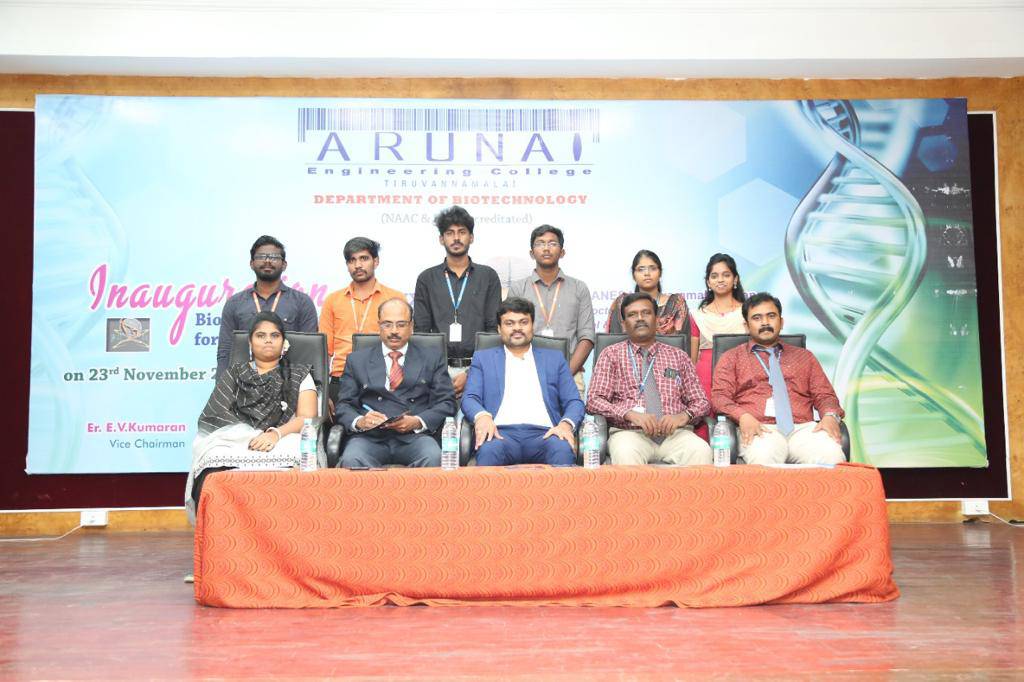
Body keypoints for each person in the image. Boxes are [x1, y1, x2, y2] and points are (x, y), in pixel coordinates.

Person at [186, 311, 318, 523]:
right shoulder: (234, 373)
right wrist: (248, 435)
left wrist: (275, 434)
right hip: (236, 438)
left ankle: (284, 529)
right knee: (212, 460)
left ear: (284, 342)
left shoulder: (299, 374)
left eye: (275, 335)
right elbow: (216, 414)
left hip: (282, 437)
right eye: (260, 335)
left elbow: (307, 418)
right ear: (250, 342)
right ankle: (222, 529)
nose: (268, 340)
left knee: (296, 456)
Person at [711, 292, 845, 465]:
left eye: (771, 316)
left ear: (781, 322)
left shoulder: (805, 357)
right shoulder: (732, 358)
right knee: (765, 454)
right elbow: (720, 397)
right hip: (758, 427)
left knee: (831, 455)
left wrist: (830, 415)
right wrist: (742, 416)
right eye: (757, 318)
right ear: (746, 326)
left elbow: (825, 395)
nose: (765, 322)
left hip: (802, 429)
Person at [587, 292, 711, 465]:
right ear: (624, 324)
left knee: (701, 450)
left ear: (656, 319)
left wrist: (684, 416)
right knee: (625, 453)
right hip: (630, 434)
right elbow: (594, 400)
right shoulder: (611, 354)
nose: (640, 318)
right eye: (632, 314)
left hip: (675, 434)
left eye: (646, 313)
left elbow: (701, 401)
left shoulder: (679, 356)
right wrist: (628, 414)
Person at [462, 297, 584, 466]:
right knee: (489, 451)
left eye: (523, 322)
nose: (517, 328)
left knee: (562, 449)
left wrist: (565, 424)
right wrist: (482, 417)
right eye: (509, 323)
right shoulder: (483, 359)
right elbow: (469, 398)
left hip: (546, 434)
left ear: (532, 326)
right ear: (499, 329)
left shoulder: (554, 359)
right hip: (499, 434)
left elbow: (574, 401)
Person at [335, 298, 455, 468]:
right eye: (387, 324)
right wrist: (360, 421)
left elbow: (447, 403)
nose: (394, 331)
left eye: (401, 324)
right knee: (352, 459)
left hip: (415, 437)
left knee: (434, 457)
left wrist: (417, 421)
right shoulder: (357, 360)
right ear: (379, 326)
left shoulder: (431, 358)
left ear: (411, 326)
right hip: (369, 438)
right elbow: (343, 405)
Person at [413, 206, 502, 398]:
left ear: (471, 237)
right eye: (450, 233)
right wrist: (438, 373)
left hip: (480, 369)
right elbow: (421, 333)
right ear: (441, 239)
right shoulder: (427, 279)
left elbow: (493, 332)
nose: (456, 238)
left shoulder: (488, 276)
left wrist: (472, 373)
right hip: (437, 372)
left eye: (462, 232)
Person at [507, 225, 596, 397]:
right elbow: (510, 334)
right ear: (531, 253)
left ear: (562, 252)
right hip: (526, 375)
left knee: (570, 415)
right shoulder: (518, 289)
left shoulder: (579, 288)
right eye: (540, 243)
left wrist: (565, 374)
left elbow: (587, 336)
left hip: (570, 375)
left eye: (552, 243)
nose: (546, 248)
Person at [215, 236, 318, 378]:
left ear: (284, 265)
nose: (268, 261)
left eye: (274, 257)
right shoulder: (235, 303)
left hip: (288, 381)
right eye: (261, 256)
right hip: (244, 382)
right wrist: (222, 386)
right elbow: (225, 351)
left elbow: (309, 352)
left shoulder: (302, 302)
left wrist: (304, 385)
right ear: (251, 263)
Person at [319, 237, 404, 405]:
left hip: (383, 379)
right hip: (341, 380)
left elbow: (404, 345)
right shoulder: (332, 300)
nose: (358, 265)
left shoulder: (395, 299)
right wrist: (323, 394)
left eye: (364, 258)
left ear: (376, 261)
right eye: (352, 260)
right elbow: (323, 352)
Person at [606, 250, 698, 362]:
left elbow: (684, 345)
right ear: (633, 275)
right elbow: (614, 341)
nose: (647, 273)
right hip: (627, 365)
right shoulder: (622, 303)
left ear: (660, 273)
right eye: (641, 269)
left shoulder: (677, 303)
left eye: (652, 268)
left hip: (669, 365)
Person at [691, 253, 747, 397]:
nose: (720, 280)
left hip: (742, 378)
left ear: (735, 279)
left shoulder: (747, 313)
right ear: (708, 282)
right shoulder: (698, 316)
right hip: (705, 379)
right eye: (714, 276)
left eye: (726, 275)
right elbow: (692, 360)